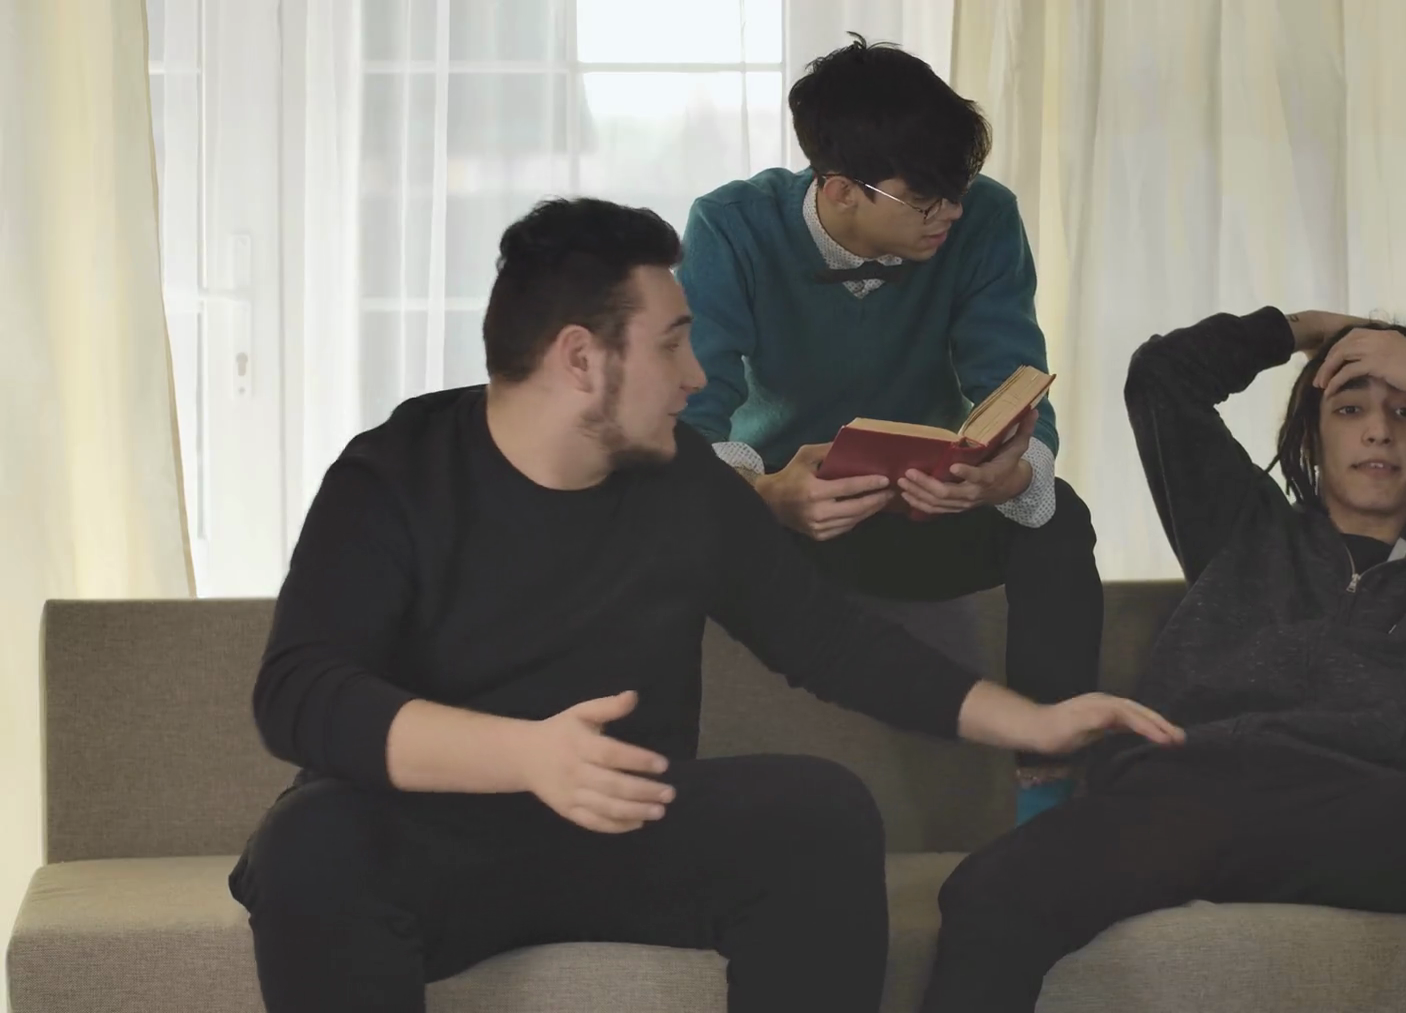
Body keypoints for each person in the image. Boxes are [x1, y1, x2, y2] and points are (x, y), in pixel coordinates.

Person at [226, 196, 1183, 1013]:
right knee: (309, 842)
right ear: (580, 358)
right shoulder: (396, 472)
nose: (695, 374)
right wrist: (527, 754)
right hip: (434, 834)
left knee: (821, 812)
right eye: (672, 342)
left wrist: (1036, 720)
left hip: (629, 819)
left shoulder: (683, 478)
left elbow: (829, 642)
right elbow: (299, 691)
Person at [917, 307, 1406, 1013]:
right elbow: (1161, 376)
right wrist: (1316, 331)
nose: (1379, 431)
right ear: (1313, 434)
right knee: (985, 888)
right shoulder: (1240, 523)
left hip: (1359, 814)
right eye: (1350, 408)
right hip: (1181, 800)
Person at [675, 36, 1100, 822]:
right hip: (790, 518)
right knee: (670, 521)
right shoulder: (730, 226)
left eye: (958, 189)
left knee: (1059, 515)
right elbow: (690, 418)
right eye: (927, 200)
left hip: (924, 504)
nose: (953, 213)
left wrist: (1007, 473)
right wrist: (765, 496)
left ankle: (1050, 797)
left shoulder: (985, 218)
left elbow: (1011, 379)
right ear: (840, 189)